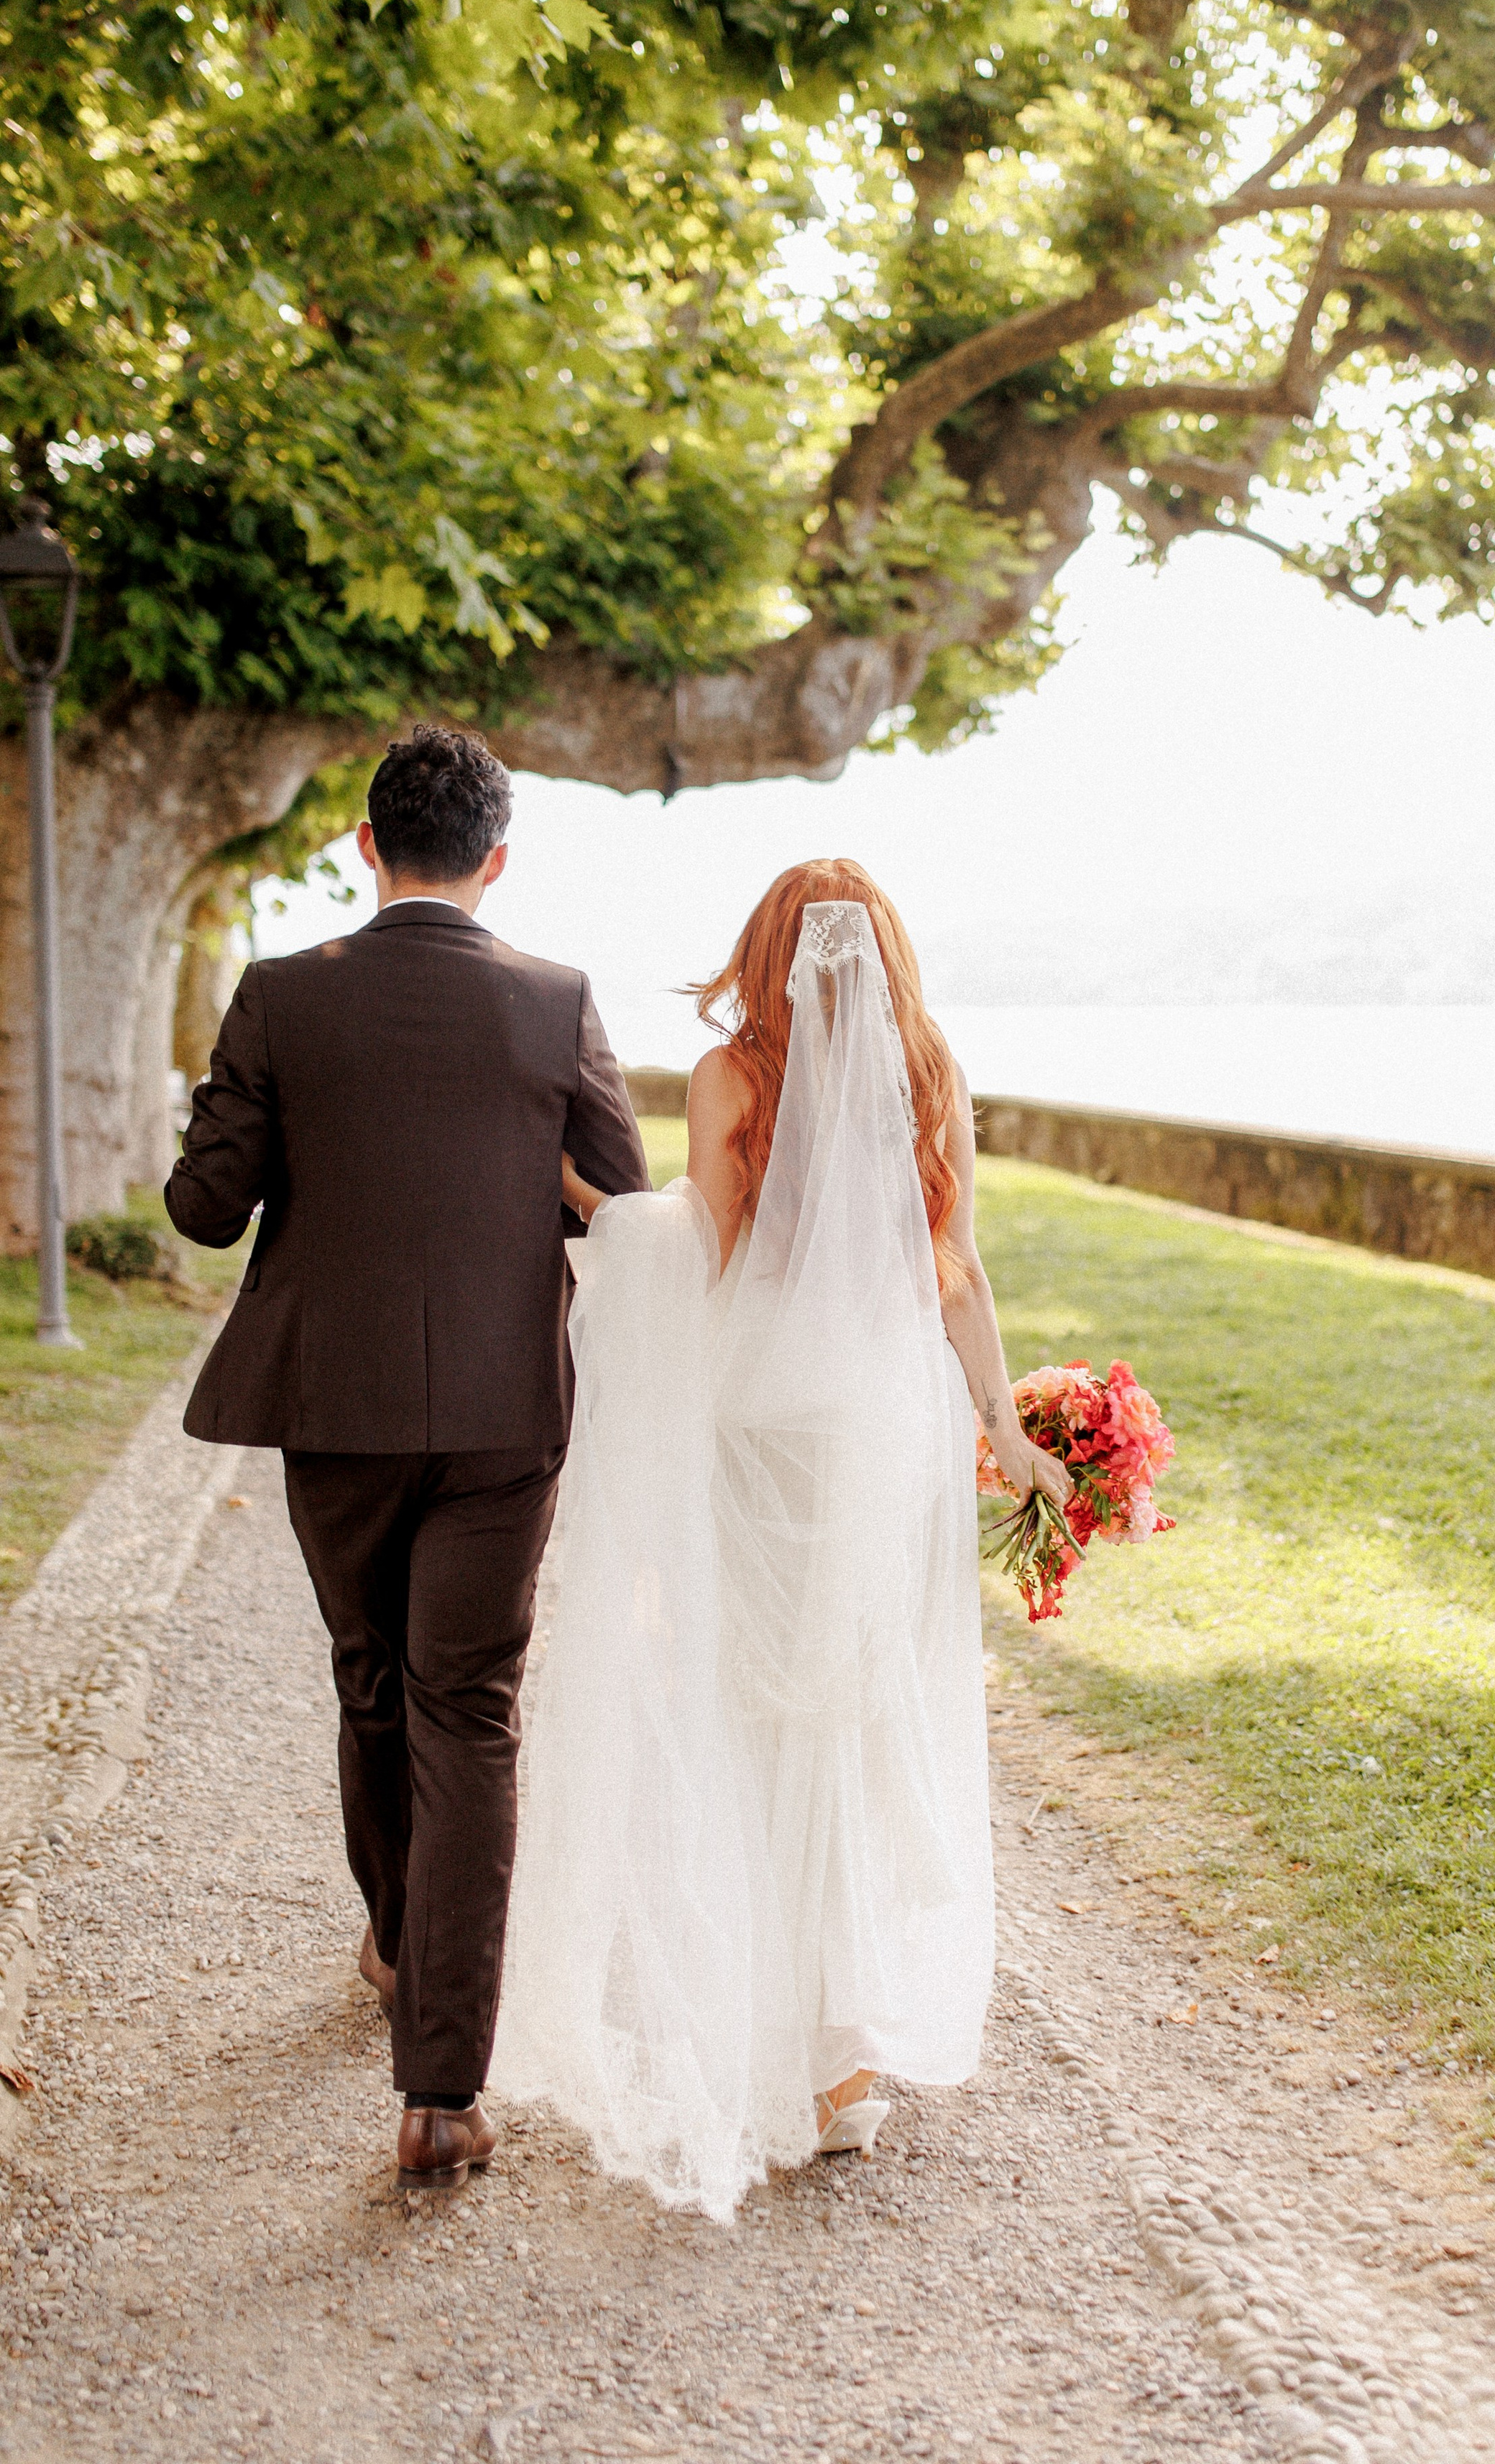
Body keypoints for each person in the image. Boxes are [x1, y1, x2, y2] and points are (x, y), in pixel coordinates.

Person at [493, 859, 1070, 2219]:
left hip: (759, 1424)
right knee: (856, 1725)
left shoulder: (729, 1076)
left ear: (767, 949)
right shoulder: (930, 1073)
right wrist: (1007, 1424)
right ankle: (843, 2056)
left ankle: (769, 2036)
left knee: (755, 1720)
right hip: (883, 1431)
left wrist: (593, 1211)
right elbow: (961, 1269)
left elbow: (704, 1249)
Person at [165, 724, 650, 2191]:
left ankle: (394, 1936)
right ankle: (443, 2087)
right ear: (494, 858)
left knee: (374, 1681)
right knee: (472, 1710)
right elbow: (620, 1198)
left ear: (364, 847)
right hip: (507, 1412)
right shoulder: (553, 999)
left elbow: (202, 1207)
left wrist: (234, 1108)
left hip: (339, 1403)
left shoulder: (277, 996)